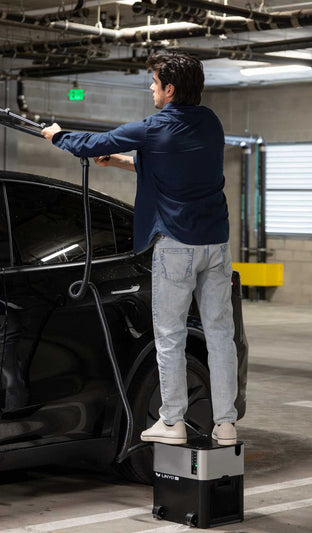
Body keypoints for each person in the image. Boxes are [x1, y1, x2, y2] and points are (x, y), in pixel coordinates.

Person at [41, 52, 238, 446]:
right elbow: (172, 164)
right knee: (220, 336)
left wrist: (58, 135)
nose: (151, 87)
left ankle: (172, 421)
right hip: (216, 245)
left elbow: (91, 143)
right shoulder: (210, 123)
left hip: (176, 248)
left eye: (155, 82)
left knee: (170, 337)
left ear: (170, 89)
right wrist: (119, 163)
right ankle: (226, 424)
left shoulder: (153, 127)